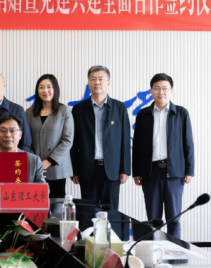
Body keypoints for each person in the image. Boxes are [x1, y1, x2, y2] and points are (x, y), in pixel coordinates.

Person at [132, 73, 194, 239]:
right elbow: (137, 146)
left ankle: (175, 250)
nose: (161, 92)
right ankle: (155, 249)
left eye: (165, 88)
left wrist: (189, 171)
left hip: (174, 173)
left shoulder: (181, 113)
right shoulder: (143, 115)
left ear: (171, 91)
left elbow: (188, 143)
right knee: (153, 219)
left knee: (174, 218)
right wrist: (136, 172)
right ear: (151, 91)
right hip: (150, 173)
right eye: (157, 88)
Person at [70, 65, 131, 210]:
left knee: (111, 213)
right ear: (88, 83)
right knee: (88, 213)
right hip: (87, 169)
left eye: (101, 79)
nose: (97, 82)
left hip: (112, 170)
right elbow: (73, 142)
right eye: (93, 79)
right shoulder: (79, 109)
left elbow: (124, 140)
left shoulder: (119, 108)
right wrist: (74, 170)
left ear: (108, 83)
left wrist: (125, 169)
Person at [0, 114, 45, 200]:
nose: (8, 135)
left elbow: (43, 190)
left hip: (24, 207)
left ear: (20, 135)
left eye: (12, 131)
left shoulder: (34, 160)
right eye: (3, 131)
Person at [26, 74, 74, 199]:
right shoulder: (29, 112)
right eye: (41, 87)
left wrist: (49, 161)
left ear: (55, 89)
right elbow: (26, 140)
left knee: (57, 204)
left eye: (49, 87)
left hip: (57, 167)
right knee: (35, 202)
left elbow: (67, 140)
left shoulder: (64, 110)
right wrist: (36, 163)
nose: (45, 90)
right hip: (34, 167)